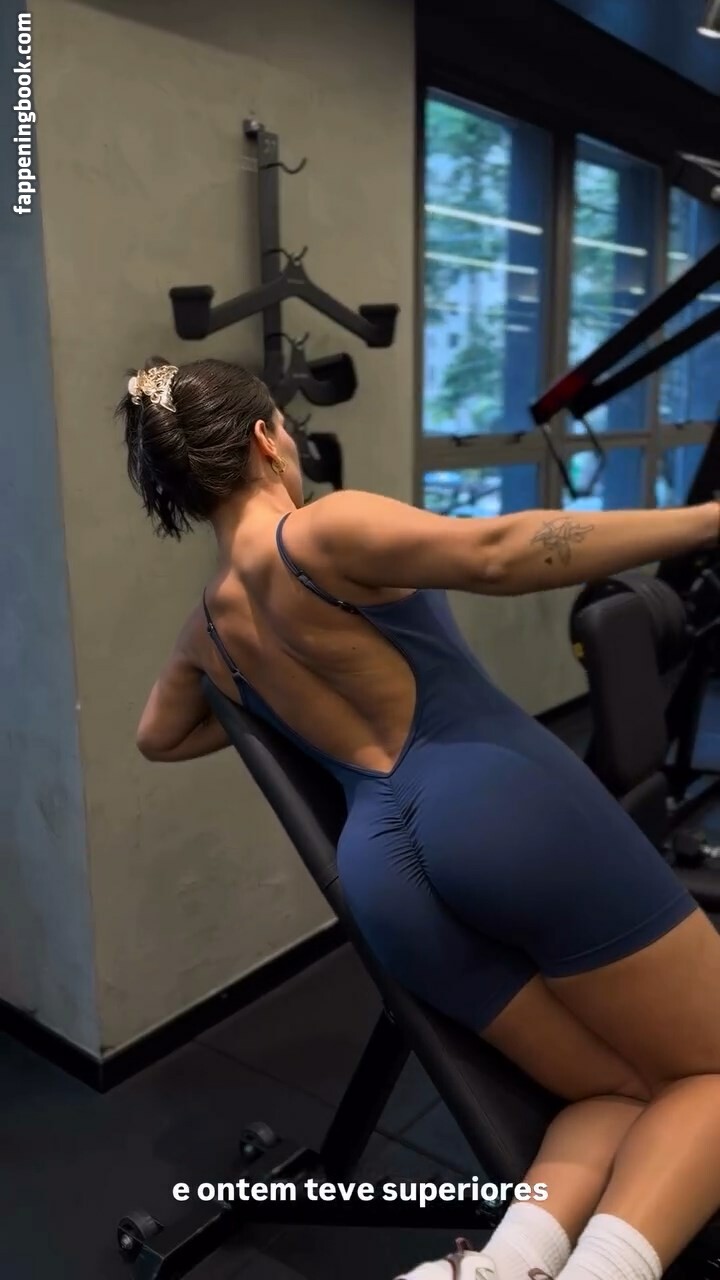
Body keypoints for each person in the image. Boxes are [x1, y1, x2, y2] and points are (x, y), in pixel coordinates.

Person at [119, 357, 720, 1280]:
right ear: (265, 439)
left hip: (382, 874)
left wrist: (272, 707)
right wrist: (710, 520)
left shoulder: (209, 628)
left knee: (613, 1092)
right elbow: (500, 552)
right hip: (494, 804)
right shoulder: (321, 530)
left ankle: (494, 1267)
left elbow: (158, 737)